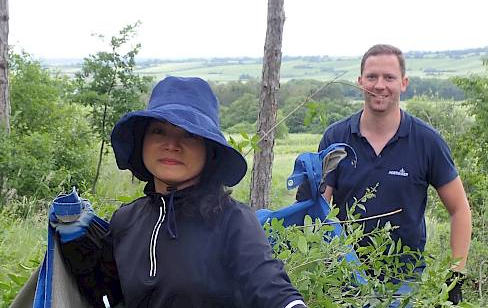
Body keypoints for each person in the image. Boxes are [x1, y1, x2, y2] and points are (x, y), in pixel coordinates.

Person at [54, 76, 307, 308]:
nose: (171, 145)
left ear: (208, 149)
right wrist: (77, 244)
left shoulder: (232, 220)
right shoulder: (126, 220)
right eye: (159, 131)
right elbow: (107, 294)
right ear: (142, 142)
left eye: (189, 135)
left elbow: (271, 288)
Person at [298, 44, 472, 303]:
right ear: (360, 82)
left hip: (404, 282)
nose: (380, 85)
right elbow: (317, 206)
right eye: (372, 77)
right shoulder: (336, 137)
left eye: (389, 77)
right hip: (344, 278)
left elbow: (460, 209)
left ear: (403, 83)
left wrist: (455, 274)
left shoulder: (426, 141)